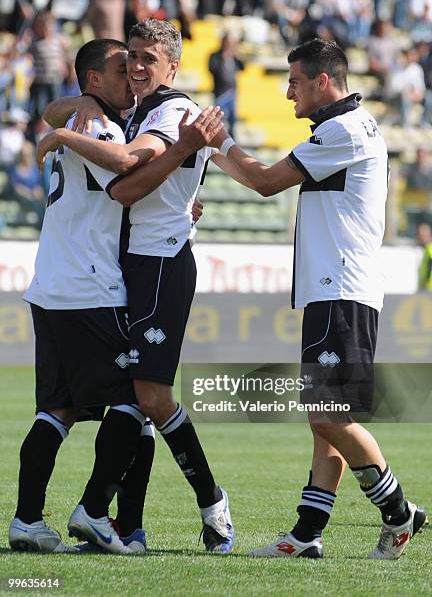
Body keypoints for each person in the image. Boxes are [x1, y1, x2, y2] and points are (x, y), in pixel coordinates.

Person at [189, 38, 426, 560]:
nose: (287, 91)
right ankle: (306, 533)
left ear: (324, 80)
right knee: (326, 426)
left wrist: (215, 144)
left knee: (327, 417)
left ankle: (399, 513)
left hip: (339, 290)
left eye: (294, 81)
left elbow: (265, 181)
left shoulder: (343, 130)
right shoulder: (351, 126)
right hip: (341, 289)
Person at [10, 37, 221, 556]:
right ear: (94, 81)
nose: (132, 77)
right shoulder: (99, 125)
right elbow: (127, 166)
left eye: (138, 66)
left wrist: (179, 206)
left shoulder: (91, 117)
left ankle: (27, 521)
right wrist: (65, 125)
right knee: (136, 400)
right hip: (92, 285)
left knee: (55, 410)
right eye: (121, 69)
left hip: (50, 284)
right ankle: (98, 514)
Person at [208, 33, 244, 139]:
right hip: (220, 93)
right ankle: (217, 140)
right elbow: (211, 69)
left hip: (232, 93)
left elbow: (243, 67)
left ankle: (232, 142)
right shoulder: (215, 56)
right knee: (219, 120)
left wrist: (236, 55)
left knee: (232, 121)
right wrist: (223, 58)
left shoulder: (234, 57)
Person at [416, 222, 432, 291]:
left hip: (428, 290)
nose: (421, 238)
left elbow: (427, 273)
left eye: (423, 236)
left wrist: (422, 288)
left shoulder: (429, 250)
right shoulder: (425, 250)